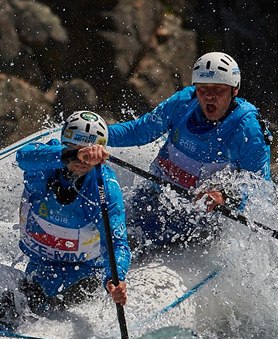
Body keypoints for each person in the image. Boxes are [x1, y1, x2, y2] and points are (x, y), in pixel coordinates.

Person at [107, 52, 272, 248]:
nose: (209, 96)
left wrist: (225, 195)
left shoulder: (248, 129)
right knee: (105, 225)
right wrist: (99, 134)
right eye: (203, 89)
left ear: (234, 90)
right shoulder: (183, 102)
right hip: (153, 197)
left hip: (199, 219)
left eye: (218, 90)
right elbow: (139, 131)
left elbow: (260, 186)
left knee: (129, 240)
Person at [0, 111, 131, 331]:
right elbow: (23, 157)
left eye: (87, 156)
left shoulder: (105, 188)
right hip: (41, 264)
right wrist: (72, 155)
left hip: (82, 273)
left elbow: (116, 244)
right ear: (65, 145)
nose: (81, 162)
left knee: (15, 301)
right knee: (18, 297)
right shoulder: (46, 162)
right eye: (75, 152)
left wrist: (115, 278)